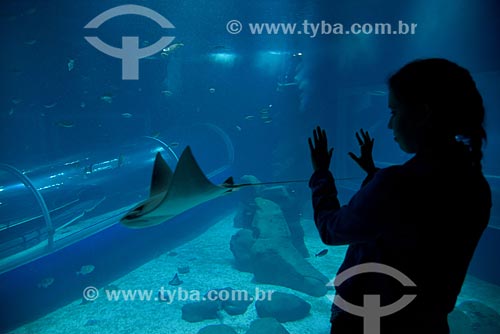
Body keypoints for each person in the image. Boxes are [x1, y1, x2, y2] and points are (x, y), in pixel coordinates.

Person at [308, 58, 492, 334]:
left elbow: (332, 230)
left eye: (394, 111)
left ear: (424, 113)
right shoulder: (473, 183)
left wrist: (322, 175)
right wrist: (373, 174)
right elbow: (401, 224)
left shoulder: (398, 183)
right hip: (426, 322)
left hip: (370, 322)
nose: (389, 125)